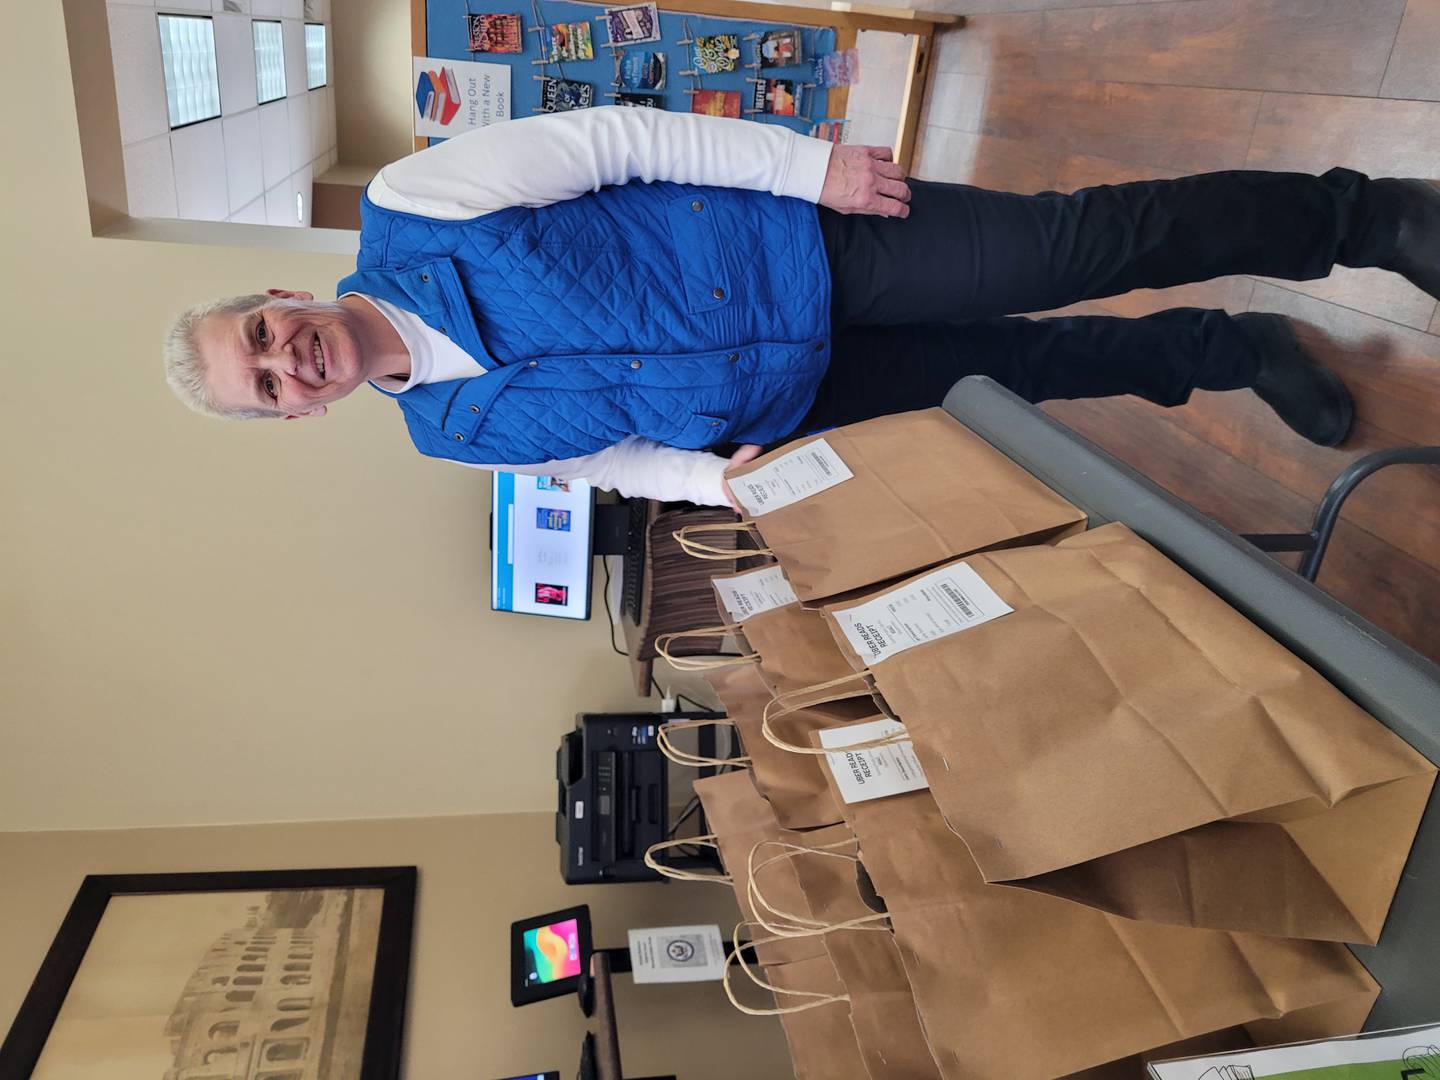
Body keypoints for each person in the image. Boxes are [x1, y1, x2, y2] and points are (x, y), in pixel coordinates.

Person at [164, 108, 1440, 507]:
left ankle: (1362, 217)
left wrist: (800, 167)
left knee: (1079, 245)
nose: (290, 361)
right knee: (1027, 376)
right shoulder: (449, 436)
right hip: (786, 396)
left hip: (811, 249)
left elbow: (609, 141)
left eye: (262, 336)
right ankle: (1229, 349)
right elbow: (608, 457)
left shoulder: (409, 205)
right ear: (296, 416)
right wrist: (709, 486)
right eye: (267, 384)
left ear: (282, 297)